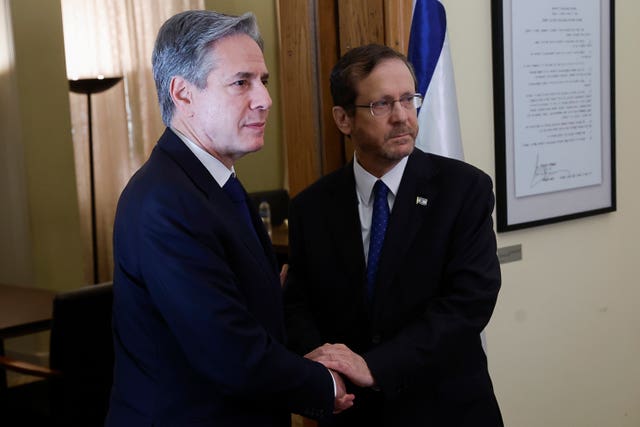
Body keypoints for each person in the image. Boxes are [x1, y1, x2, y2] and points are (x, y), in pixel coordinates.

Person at [105, 10, 353, 426]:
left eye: (264, 81)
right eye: (242, 82)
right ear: (183, 94)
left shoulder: (211, 182)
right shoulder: (165, 202)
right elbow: (228, 350)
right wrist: (323, 384)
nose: (265, 99)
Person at [283, 44, 503, 426]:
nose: (402, 117)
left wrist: (375, 365)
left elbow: (468, 303)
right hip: (354, 411)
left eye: (408, 99)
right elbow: (298, 304)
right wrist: (322, 366)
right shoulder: (311, 207)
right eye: (381, 105)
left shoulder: (463, 190)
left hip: (447, 409)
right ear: (343, 119)